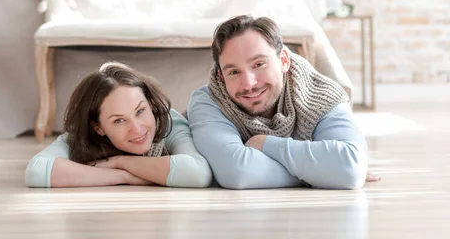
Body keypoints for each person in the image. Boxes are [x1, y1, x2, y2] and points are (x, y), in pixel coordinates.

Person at [187, 15, 377, 189]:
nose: (248, 84)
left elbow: (350, 168)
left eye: (259, 64)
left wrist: (263, 143)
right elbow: (237, 173)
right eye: (234, 72)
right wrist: (324, 172)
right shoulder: (208, 101)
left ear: (283, 60)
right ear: (221, 76)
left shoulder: (322, 94)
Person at [25, 62, 212, 188]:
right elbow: (37, 171)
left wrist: (120, 162)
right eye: (119, 120)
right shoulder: (83, 136)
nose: (137, 129)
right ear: (98, 128)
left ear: (151, 105)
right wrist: (125, 176)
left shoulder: (168, 120)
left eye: (140, 111)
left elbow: (198, 173)